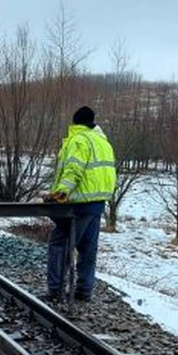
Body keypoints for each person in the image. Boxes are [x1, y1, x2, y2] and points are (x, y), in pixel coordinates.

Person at [44, 106, 116, 305]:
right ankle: (84, 291)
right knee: (88, 248)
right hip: (98, 203)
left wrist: (60, 193)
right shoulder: (103, 141)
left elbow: (73, 170)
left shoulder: (79, 140)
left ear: (75, 122)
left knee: (60, 244)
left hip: (79, 203)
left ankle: (55, 290)